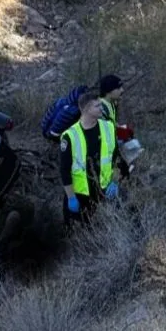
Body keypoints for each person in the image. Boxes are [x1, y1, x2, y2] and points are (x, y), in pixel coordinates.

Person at [59, 89, 128, 228]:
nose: (101, 108)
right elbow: (64, 170)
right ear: (86, 110)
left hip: (103, 191)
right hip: (80, 195)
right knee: (75, 232)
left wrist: (114, 181)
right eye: (97, 106)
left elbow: (117, 158)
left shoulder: (108, 127)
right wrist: (71, 197)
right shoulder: (70, 136)